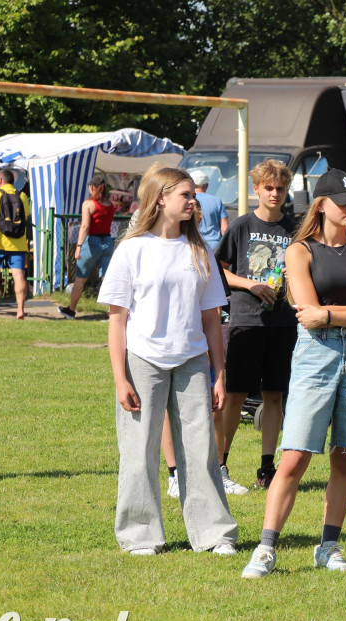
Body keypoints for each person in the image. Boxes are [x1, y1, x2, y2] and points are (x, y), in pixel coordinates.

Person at [241, 168, 346, 579]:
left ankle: (329, 545)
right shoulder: (299, 250)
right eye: (342, 202)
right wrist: (334, 315)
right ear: (321, 205)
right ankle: (266, 548)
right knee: (295, 456)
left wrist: (327, 312)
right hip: (315, 355)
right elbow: (305, 316)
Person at [97, 167, 238, 556]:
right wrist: (120, 378)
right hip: (143, 360)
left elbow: (212, 320)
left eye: (193, 196)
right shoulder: (132, 248)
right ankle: (140, 535)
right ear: (161, 198)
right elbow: (117, 320)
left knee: (201, 448)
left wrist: (219, 375)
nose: (194, 202)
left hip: (192, 360)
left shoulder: (199, 250)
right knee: (139, 449)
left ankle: (214, 534)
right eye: (186, 195)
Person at [215, 160, 297, 493]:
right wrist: (250, 285)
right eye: (268, 188)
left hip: (283, 321)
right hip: (246, 320)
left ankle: (267, 467)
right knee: (234, 395)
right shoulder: (241, 226)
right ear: (256, 190)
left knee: (274, 396)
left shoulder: (294, 229)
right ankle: (220, 464)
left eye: (280, 188)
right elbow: (220, 270)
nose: (274, 194)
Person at [58, 175, 116, 319]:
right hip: (107, 242)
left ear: (92, 188)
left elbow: (85, 226)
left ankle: (71, 310)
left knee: (80, 279)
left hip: (92, 243)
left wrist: (78, 246)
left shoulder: (88, 204)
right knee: (107, 278)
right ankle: (113, 312)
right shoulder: (110, 204)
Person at [0, 169, 31, 318]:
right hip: (18, 244)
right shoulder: (22, 196)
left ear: (0, 181)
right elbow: (26, 216)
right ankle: (20, 309)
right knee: (18, 274)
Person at [188, 169, 229, 252]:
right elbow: (224, 229)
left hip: (194, 244)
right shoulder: (216, 201)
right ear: (206, 185)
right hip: (214, 246)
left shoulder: (188, 201)